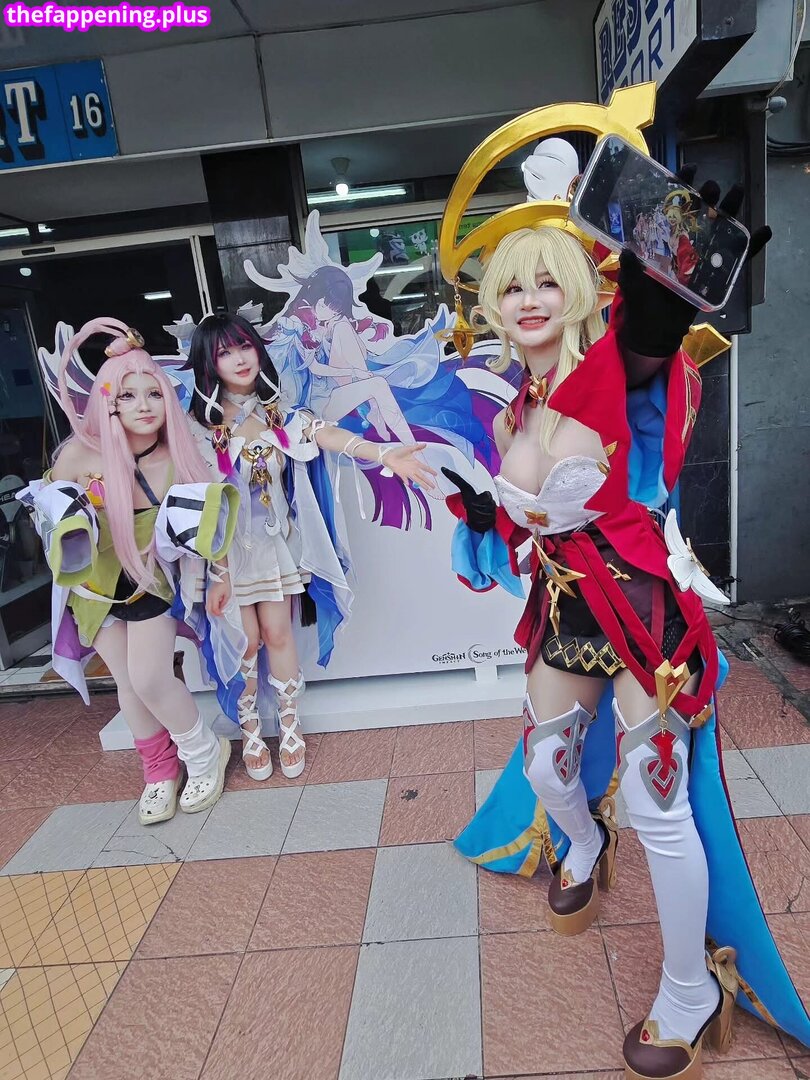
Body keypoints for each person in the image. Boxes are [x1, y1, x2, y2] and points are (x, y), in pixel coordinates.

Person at [439, 128, 810, 1071]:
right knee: (548, 767)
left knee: (660, 806)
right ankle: (580, 841)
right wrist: (487, 511)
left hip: (645, 617)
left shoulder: (614, 370)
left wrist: (659, 289)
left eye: (547, 281)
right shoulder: (516, 405)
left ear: (578, 291)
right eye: (512, 286)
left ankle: (690, 990)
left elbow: (645, 347)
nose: (529, 299)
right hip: (565, 610)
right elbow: (529, 517)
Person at [185, 312, 436, 780]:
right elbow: (199, 508)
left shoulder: (279, 413)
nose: (239, 359)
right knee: (244, 642)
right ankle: (250, 730)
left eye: (244, 346)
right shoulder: (197, 430)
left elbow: (327, 434)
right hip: (226, 558)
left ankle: (289, 725)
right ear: (208, 363)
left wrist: (382, 452)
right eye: (224, 352)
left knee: (277, 635)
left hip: (274, 547)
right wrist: (216, 573)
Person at [19, 319, 243, 825]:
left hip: (149, 582)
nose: (144, 405)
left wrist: (221, 576)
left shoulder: (175, 459)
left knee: (149, 676)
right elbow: (49, 517)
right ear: (108, 402)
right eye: (128, 395)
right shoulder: (76, 455)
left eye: (154, 393)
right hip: (93, 586)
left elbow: (212, 525)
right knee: (126, 681)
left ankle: (203, 753)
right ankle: (158, 770)